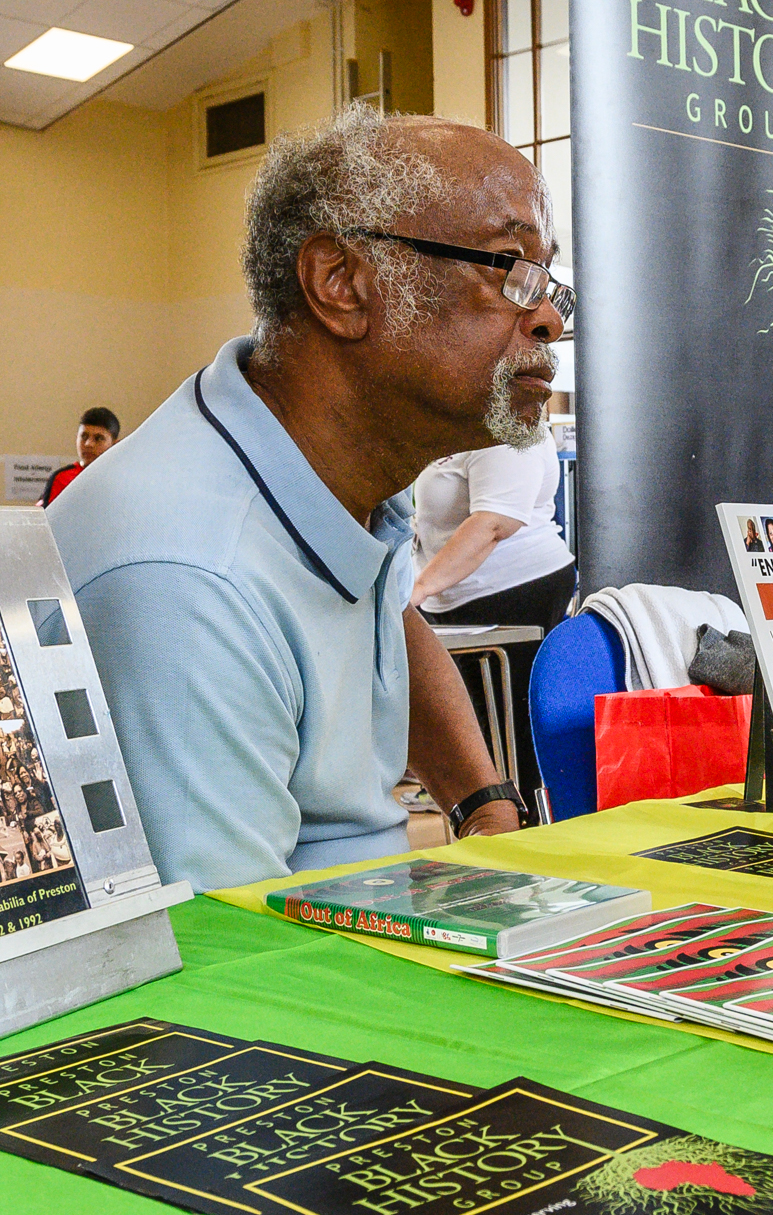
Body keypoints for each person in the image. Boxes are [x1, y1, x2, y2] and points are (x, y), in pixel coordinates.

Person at [50, 104, 570, 888]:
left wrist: (485, 802)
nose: (550, 318)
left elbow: (385, 604)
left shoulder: (339, 481)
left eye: (549, 275)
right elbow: (225, 966)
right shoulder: (187, 576)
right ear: (341, 284)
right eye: (508, 266)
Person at [408, 436, 573, 630]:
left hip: (511, 587)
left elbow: (493, 525)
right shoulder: (465, 427)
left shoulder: (511, 428)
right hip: (449, 592)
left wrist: (422, 587)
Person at [39, 407, 115, 506]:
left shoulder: (122, 479)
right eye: (84, 436)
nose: (88, 444)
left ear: (114, 444)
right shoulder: (61, 478)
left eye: (98, 438)